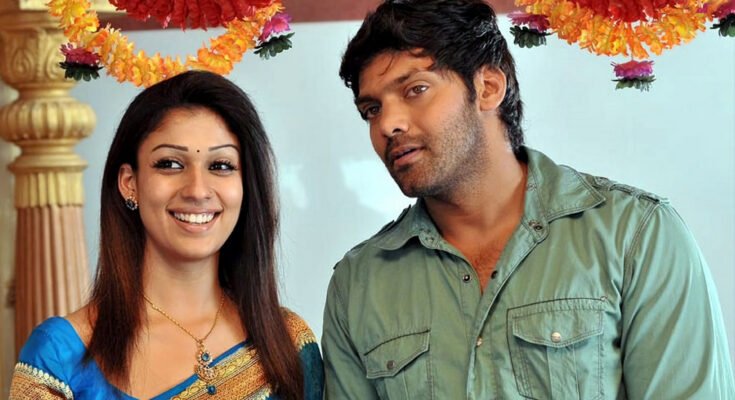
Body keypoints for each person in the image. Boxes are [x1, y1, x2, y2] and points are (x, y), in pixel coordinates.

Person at [321, 0, 735, 398]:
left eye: (416, 89)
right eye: (372, 109)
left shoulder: (635, 236)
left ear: (488, 87)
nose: (388, 124)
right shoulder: (357, 284)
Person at [10, 71, 324, 399]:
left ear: (246, 186)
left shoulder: (288, 343)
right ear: (130, 183)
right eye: (171, 164)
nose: (197, 190)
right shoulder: (61, 356)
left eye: (221, 166)